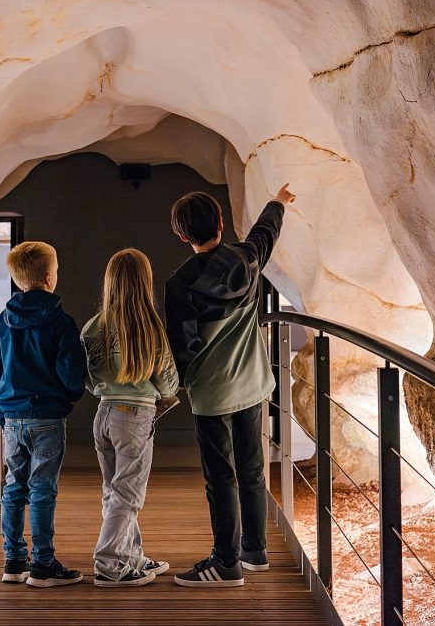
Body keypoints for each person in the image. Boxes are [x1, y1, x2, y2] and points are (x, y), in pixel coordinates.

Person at [165, 184, 297, 587]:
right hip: (252, 384)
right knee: (253, 469)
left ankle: (226, 563)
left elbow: (182, 346)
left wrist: (180, 384)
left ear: (183, 235)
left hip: (211, 394)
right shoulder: (247, 258)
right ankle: (255, 552)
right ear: (222, 223)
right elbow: (265, 232)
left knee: (220, 477)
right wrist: (278, 202)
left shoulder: (180, 284)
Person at [0, 240, 86, 587]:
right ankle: (44, 565)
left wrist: (2, 414)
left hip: (13, 418)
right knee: (43, 490)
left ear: (18, 280)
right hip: (47, 417)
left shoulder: (2, 323)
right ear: (49, 276)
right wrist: (67, 399)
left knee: (14, 488)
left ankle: (14, 561)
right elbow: (71, 374)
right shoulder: (62, 322)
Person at [81, 249, 179, 587]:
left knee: (114, 490)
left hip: (103, 414)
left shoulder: (94, 326)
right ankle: (110, 565)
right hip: (135, 417)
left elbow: (90, 379)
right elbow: (168, 383)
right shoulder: (149, 326)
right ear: (145, 283)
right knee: (128, 495)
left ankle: (131, 556)